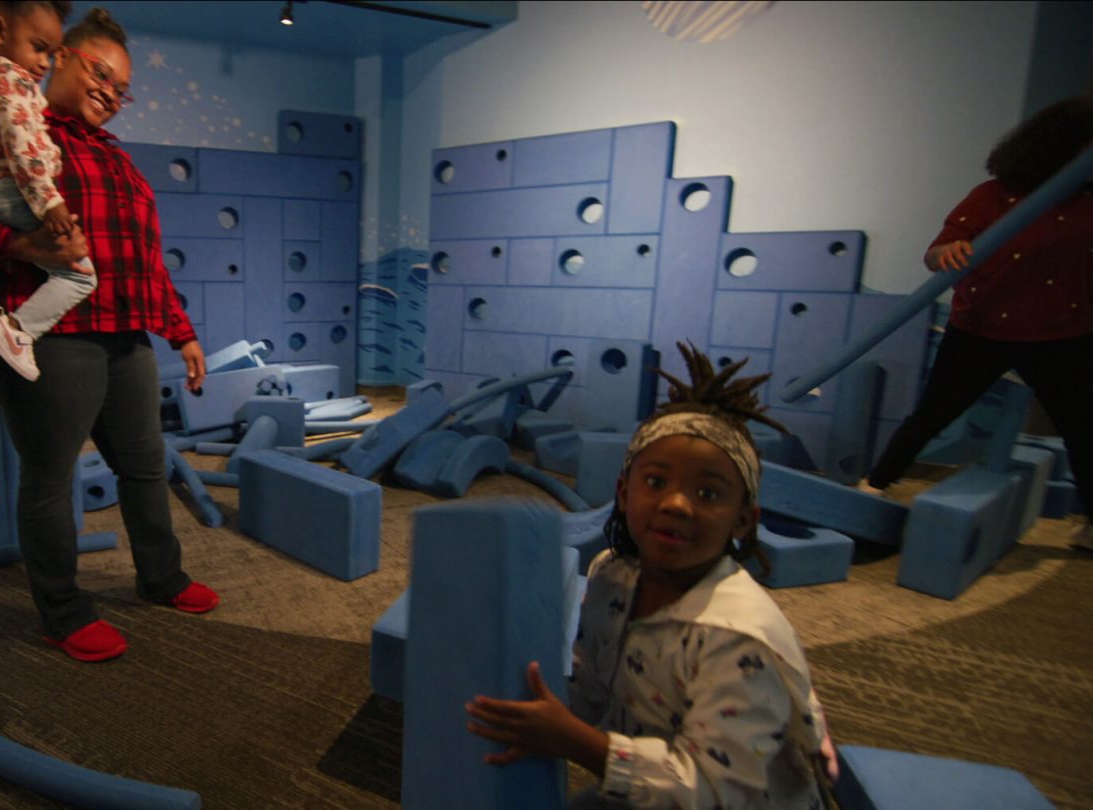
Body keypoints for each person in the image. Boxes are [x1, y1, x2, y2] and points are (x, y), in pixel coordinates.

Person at [0, 6, 218, 663]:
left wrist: (181, 332)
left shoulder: (118, 160)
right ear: (61, 59)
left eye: (122, 88)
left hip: (126, 335)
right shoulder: (6, 117)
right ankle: (63, 612)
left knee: (145, 466)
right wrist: (14, 244)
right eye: (101, 73)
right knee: (52, 476)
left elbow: (146, 261)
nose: (110, 92)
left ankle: (162, 577)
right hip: (48, 332)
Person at [465, 343, 836, 808]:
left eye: (707, 493)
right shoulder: (611, 577)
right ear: (623, 493)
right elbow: (592, 685)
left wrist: (576, 742)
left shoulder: (736, 637)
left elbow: (713, 791)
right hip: (645, 784)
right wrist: (543, 720)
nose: (676, 504)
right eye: (656, 482)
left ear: (743, 520)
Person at [855, 95, 1093, 552]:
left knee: (1082, 427)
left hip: (1061, 331)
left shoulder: (1085, 204)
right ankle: (874, 485)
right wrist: (946, 253)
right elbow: (937, 253)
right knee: (932, 413)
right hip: (982, 326)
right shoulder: (994, 196)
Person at [0, 0, 99, 382]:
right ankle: (16, 331)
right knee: (80, 274)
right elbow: (21, 148)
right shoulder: (12, 80)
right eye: (39, 48)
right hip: (8, 188)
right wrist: (51, 202)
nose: (45, 63)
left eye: (51, 53)